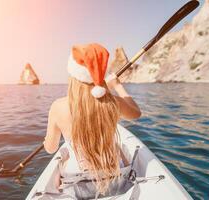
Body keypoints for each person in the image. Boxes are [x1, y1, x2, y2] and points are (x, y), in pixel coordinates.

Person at [43, 43, 141, 195]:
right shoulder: (111, 103)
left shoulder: (58, 107)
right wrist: (117, 86)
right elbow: (136, 113)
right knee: (118, 148)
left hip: (77, 184)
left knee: (64, 161)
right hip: (116, 178)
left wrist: (46, 142)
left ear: (73, 76)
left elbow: (50, 149)